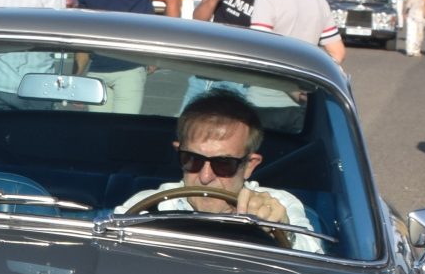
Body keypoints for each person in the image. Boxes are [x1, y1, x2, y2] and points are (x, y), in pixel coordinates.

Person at [115, 88, 319, 252]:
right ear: (179, 153)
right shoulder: (149, 205)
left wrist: (282, 230)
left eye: (223, 164)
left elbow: (316, 260)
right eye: (192, 160)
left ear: (249, 165)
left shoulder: (279, 204)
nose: (205, 177)